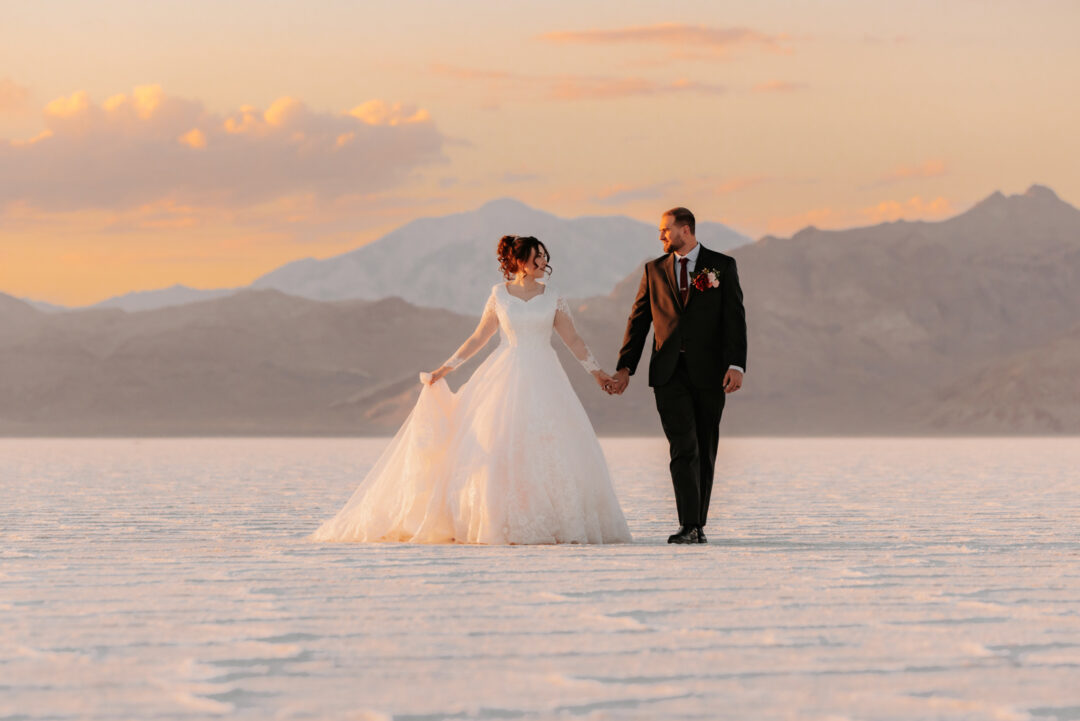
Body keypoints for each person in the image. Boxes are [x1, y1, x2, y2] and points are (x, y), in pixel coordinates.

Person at [310, 235, 632, 545]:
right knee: (498, 444)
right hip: (505, 373)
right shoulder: (500, 294)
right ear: (520, 261)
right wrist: (444, 369)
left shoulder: (553, 296)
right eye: (537, 256)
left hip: (545, 375)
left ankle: (554, 518)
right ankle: (496, 517)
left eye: (544, 255)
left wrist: (599, 374)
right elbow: (479, 338)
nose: (543, 261)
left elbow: (573, 340)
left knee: (549, 446)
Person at [606, 207, 747, 545]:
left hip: (711, 373)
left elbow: (734, 319)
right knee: (682, 447)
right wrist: (626, 367)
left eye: (665, 230)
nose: (661, 236)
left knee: (705, 447)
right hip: (668, 374)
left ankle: (698, 524)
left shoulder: (721, 266)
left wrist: (736, 365)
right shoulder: (654, 270)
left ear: (686, 229)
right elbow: (639, 321)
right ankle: (688, 525)